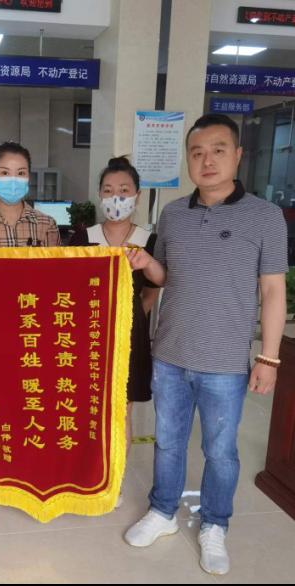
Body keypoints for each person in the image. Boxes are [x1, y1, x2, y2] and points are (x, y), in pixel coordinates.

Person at [124, 114, 288, 575]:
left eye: (218, 150)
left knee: (220, 451)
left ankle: (215, 524)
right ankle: (162, 511)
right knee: (168, 443)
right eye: (197, 153)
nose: (207, 160)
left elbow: (273, 290)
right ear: (188, 160)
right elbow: (166, 276)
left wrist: (269, 357)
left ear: (238, 155)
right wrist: (146, 264)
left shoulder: (265, 216)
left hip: (225, 362)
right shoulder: (174, 214)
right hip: (170, 354)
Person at [70, 156, 160, 500]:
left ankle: (113, 479)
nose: (116, 198)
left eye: (124, 190)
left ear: (137, 195)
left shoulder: (148, 240)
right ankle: (86, 472)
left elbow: (155, 286)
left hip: (129, 338)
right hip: (86, 337)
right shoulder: (84, 238)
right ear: (99, 194)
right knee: (86, 407)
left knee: (121, 410)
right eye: (108, 190)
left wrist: (132, 317)